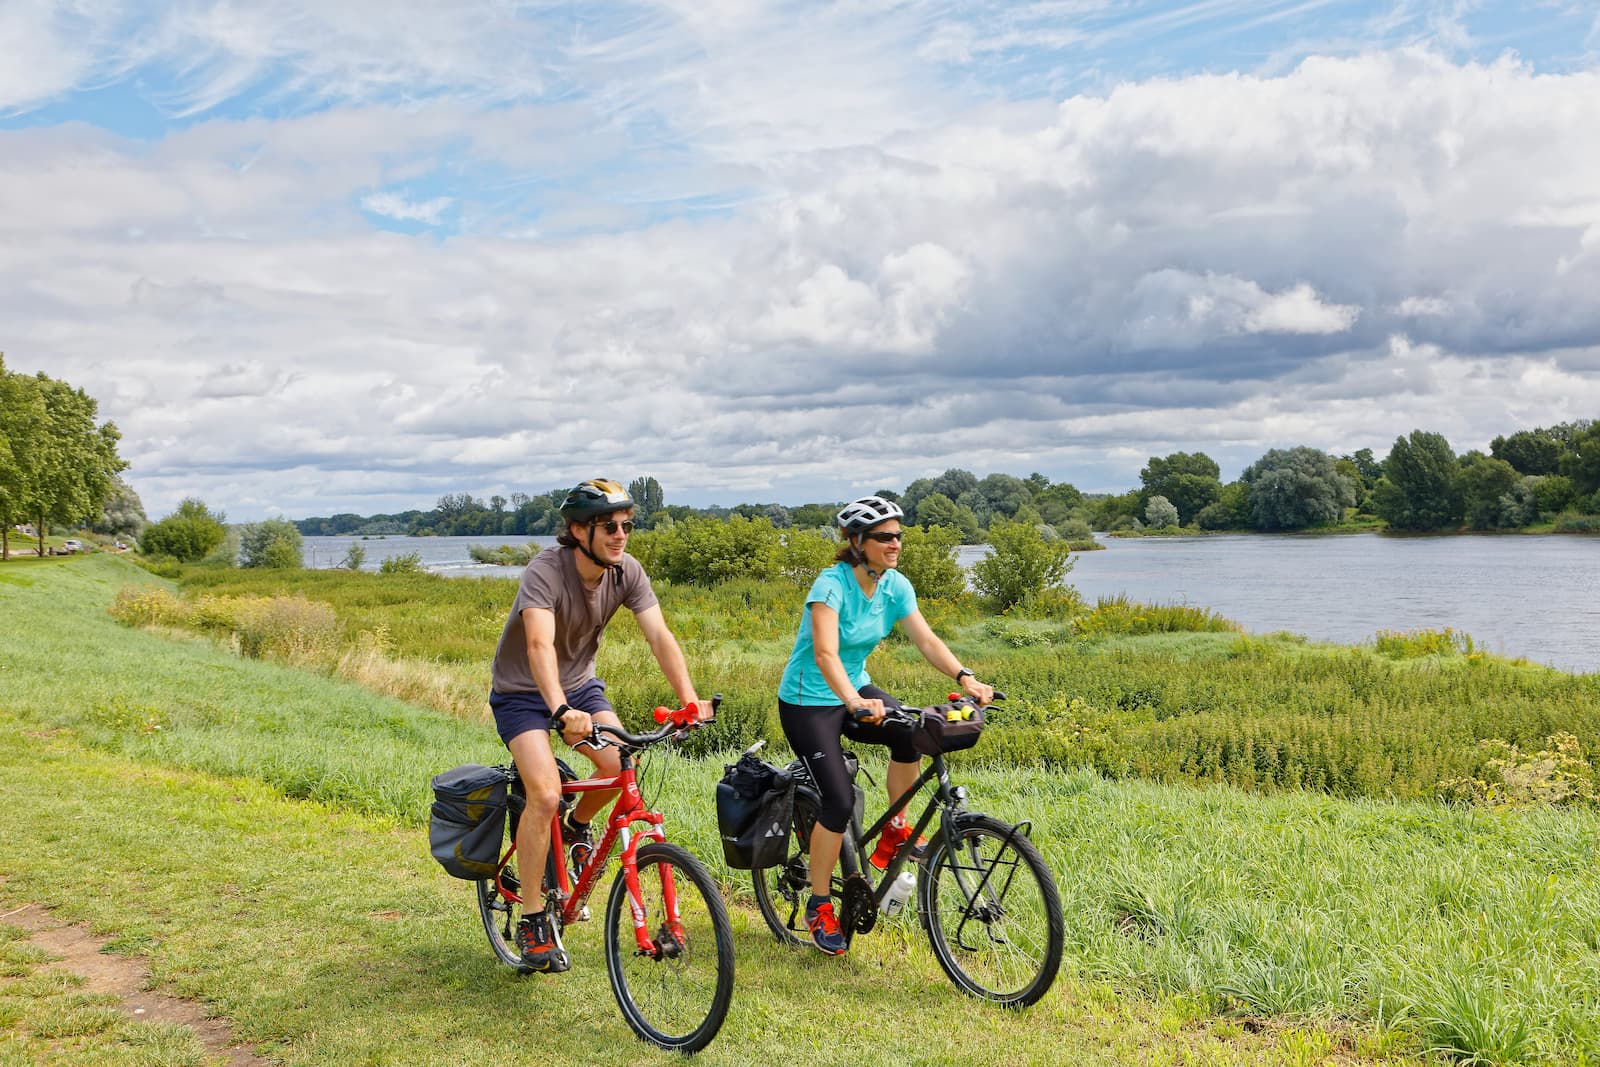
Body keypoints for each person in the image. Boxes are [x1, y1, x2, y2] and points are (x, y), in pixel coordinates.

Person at [488, 478, 711, 972]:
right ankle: (531, 919)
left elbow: (659, 635)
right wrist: (561, 712)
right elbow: (539, 647)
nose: (621, 534)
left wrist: (689, 700)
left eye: (627, 525)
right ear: (577, 531)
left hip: (582, 687)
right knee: (544, 792)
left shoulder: (626, 571)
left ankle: (576, 826)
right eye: (608, 526)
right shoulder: (545, 572)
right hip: (523, 694)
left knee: (615, 766)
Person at [777, 495, 993, 955]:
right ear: (857, 542)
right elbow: (825, 654)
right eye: (885, 537)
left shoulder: (895, 586)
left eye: (899, 536)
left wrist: (965, 676)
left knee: (911, 734)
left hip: (857, 691)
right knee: (837, 801)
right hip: (808, 703)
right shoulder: (830, 585)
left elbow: (927, 639)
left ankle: (896, 826)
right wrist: (853, 701)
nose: (896, 544)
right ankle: (819, 906)